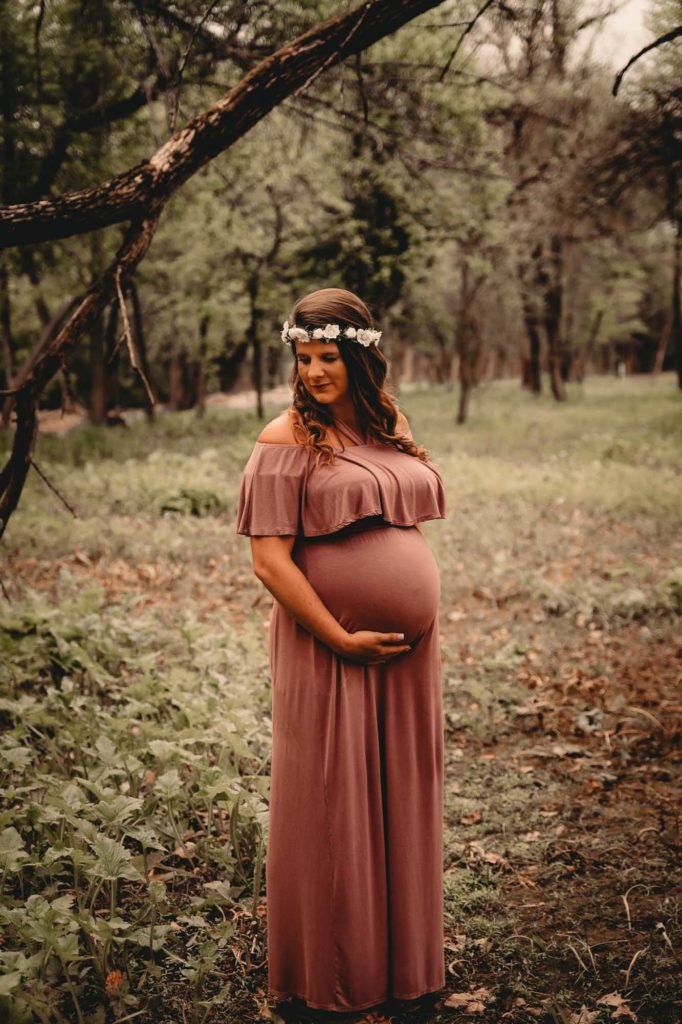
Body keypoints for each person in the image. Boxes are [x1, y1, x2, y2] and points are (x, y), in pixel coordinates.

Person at [235, 287, 447, 1014]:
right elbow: (270, 561)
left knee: (400, 801)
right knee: (333, 809)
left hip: (406, 660)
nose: (315, 370)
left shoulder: (388, 426)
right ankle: (330, 983)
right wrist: (339, 637)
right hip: (331, 652)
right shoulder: (284, 439)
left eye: (329, 355)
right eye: (304, 356)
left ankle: (404, 970)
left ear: (361, 355)